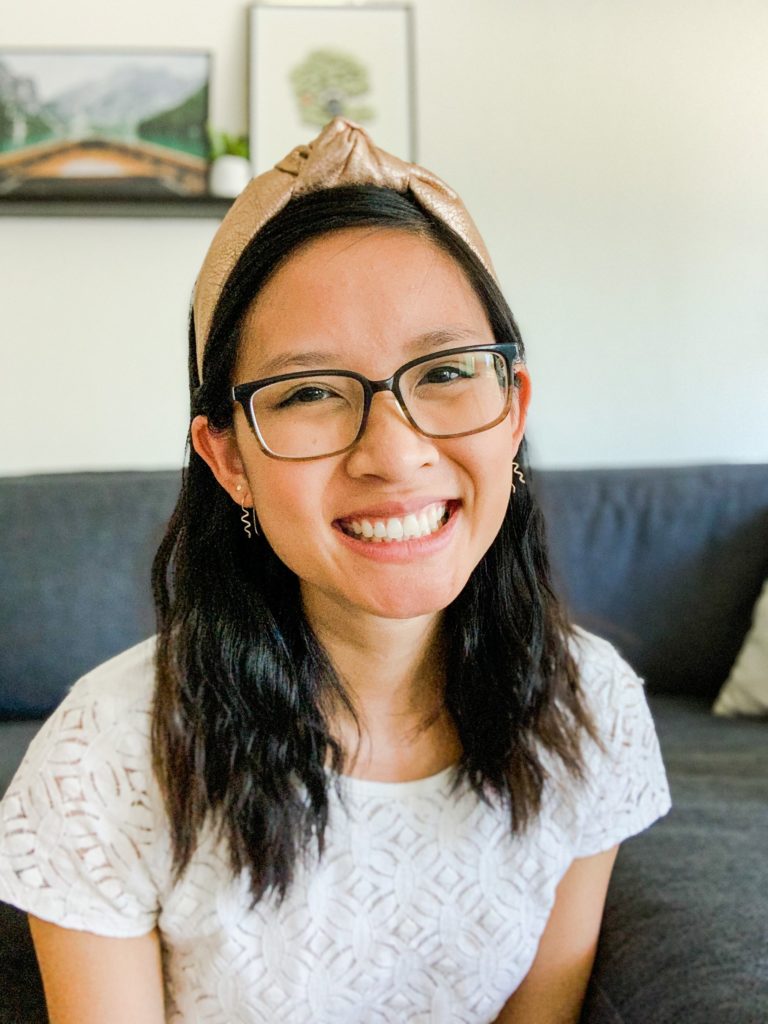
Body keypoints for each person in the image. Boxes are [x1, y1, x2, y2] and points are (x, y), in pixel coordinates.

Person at [0, 118, 671, 1024]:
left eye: (442, 372)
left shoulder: (591, 707)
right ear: (228, 456)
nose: (394, 455)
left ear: (512, 409)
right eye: (310, 392)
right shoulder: (107, 757)